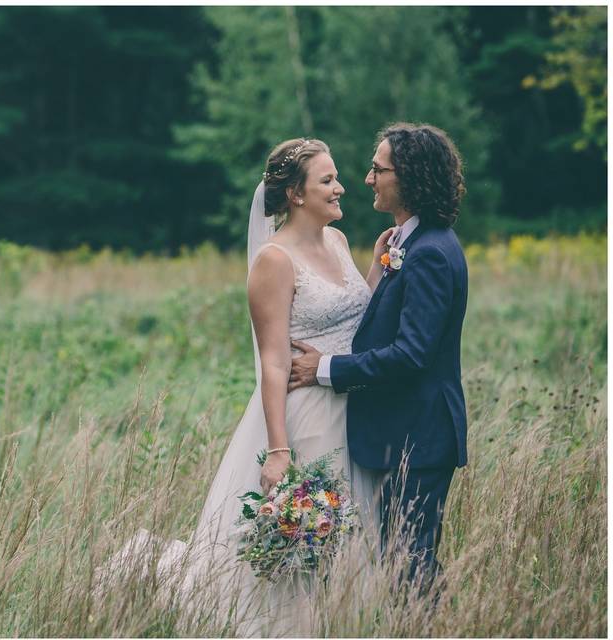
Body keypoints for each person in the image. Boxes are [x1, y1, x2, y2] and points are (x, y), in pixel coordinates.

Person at [96, 138, 389, 637]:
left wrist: (378, 272)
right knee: (316, 537)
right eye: (327, 180)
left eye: (337, 177)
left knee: (356, 529)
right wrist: (278, 449)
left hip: (355, 409)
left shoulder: (338, 243)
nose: (341, 187)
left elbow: (350, 323)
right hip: (311, 415)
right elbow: (273, 362)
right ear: (296, 194)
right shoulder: (274, 261)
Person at [288, 123, 469, 592]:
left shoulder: (428, 251)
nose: (368, 178)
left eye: (378, 169)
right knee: (401, 558)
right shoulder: (407, 242)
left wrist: (323, 368)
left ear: (408, 179)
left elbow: (410, 355)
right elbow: (380, 326)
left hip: (419, 435)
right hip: (405, 431)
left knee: (411, 564)